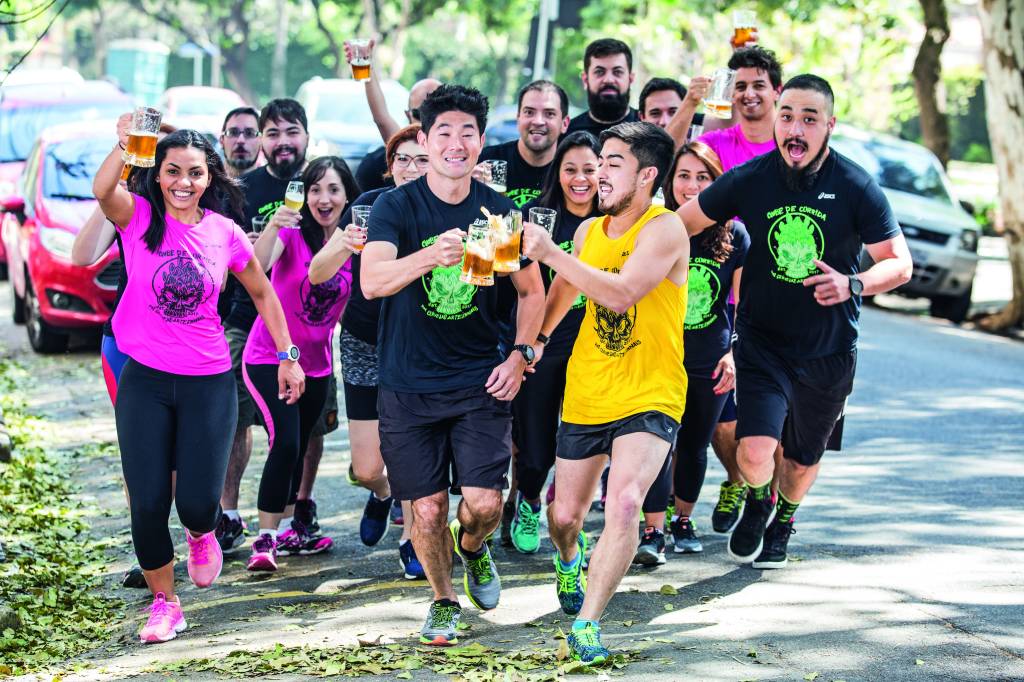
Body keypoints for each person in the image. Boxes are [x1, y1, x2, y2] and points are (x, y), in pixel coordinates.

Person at [677, 74, 912, 570]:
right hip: (762, 342)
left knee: (803, 458)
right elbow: (682, 222)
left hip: (828, 349)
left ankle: (783, 518)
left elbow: (899, 263)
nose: (796, 128)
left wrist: (854, 284)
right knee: (755, 450)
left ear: (830, 124)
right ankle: (759, 499)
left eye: (809, 118)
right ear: (775, 121)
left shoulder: (855, 185)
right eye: (787, 116)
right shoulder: (752, 178)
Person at [92, 121, 304, 644]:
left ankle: (202, 531)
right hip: (145, 380)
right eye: (172, 172)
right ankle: (167, 602)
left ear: (209, 178)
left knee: (195, 502)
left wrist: (288, 355)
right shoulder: (139, 219)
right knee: (145, 503)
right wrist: (126, 144)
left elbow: (263, 293)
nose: (183, 182)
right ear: (158, 177)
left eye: (194, 172)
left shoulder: (224, 232)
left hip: (208, 381)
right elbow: (103, 191)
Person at [361, 85, 545, 645]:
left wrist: (521, 354)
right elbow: (372, 282)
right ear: (424, 137)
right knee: (426, 510)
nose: (456, 143)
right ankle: (442, 599)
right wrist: (428, 256)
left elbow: (531, 294)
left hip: (477, 383)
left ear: (481, 141)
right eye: (444, 132)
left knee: (484, 505)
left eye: (468, 132)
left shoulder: (495, 214)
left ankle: (476, 548)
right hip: (407, 386)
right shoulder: (397, 206)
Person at [522, 121, 687, 663]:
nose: (598, 172)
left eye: (612, 162)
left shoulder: (665, 230)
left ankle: (588, 624)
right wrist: (537, 342)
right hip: (589, 389)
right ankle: (570, 560)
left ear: (646, 176)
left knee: (624, 502)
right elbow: (567, 291)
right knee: (565, 517)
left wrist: (548, 252)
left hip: (651, 392)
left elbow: (619, 294)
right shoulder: (589, 234)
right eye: (599, 161)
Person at [309, 124, 429, 580]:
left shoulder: (443, 209)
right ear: (389, 164)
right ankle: (384, 495)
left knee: (414, 451)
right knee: (365, 467)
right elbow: (318, 274)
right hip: (363, 340)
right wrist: (342, 243)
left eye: (421, 159)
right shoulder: (366, 207)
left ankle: (412, 537)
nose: (412, 168)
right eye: (403, 159)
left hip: (419, 344)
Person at [218, 99, 335, 556]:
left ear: (306, 135)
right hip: (246, 322)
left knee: (309, 430)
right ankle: (229, 513)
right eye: (272, 133)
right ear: (262, 141)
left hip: (309, 332)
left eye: (292, 132)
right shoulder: (238, 188)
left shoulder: (325, 188)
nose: (282, 141)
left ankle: (299, 510)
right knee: (236, 420)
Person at [633, 141, 749, 564]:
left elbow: (744, 305)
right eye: (684, 175)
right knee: (658, 443)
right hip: (660, 354)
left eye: (703, 177)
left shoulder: (735, 236)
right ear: (669, 180)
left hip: (711, 357)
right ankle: (652, 529)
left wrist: (734, 354)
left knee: (696, 443)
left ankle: (683, 519)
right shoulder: (655, 226)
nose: (692, 185)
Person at [72, 125, 177, 590]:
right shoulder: (125, 208)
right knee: (140, 452)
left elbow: (206, 159)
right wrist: (120, 174)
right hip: (126, 346)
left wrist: (168, 132)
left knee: (180, 453)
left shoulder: (186, 204)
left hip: (186, 346)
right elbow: (81, 255)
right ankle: (150, 548)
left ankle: (190, 526)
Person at [243, 156, 358, 571]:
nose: (323, 199)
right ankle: (265, 539)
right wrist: (274, 225)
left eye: (333, 190)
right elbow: (254, 267)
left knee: (299, 447)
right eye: (315, 190)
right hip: (268, 356)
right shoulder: (291, 233)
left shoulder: (355, 243)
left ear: (347, 196)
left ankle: (291, 529)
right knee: (286, 442)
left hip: (318, 366)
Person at [505, 131, 601, 555]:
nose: (580, 179)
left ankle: (569, 516)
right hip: (543, 343)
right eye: (570, 169)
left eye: (589, 169)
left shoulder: (611, 222)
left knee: (580, 441)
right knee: (537, 439)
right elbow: (509, 283)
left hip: (597, 346)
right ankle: (527, 502)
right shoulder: (533, 217)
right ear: (556, 173)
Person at [343, 38, 442, 192]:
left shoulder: (454, 151)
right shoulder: (404, 141)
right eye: (419, 113)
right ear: (408, 115)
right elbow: (381, 118)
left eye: (435, 113)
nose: (427, 120)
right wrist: (366, 64)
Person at [477, 80, 570, 209]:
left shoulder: (571, 171)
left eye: (549, 114)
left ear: (564, 123)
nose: (538, 121)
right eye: (529, 112)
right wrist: (466, 186)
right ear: (518, 119)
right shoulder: (486, 161)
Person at [565, 39, 639, 138]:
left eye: (617, 72)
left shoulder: (647, 130)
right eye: (599, 72)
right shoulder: (568, 134)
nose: (608, 80)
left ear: (631, 79)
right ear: (585, 79)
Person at [219, 106, 262, 178]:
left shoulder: (273, 187)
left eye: (250, 133)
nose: (240, 141)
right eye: (232, 132)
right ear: (222, 140)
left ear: (261, 142)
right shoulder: (207, 186)